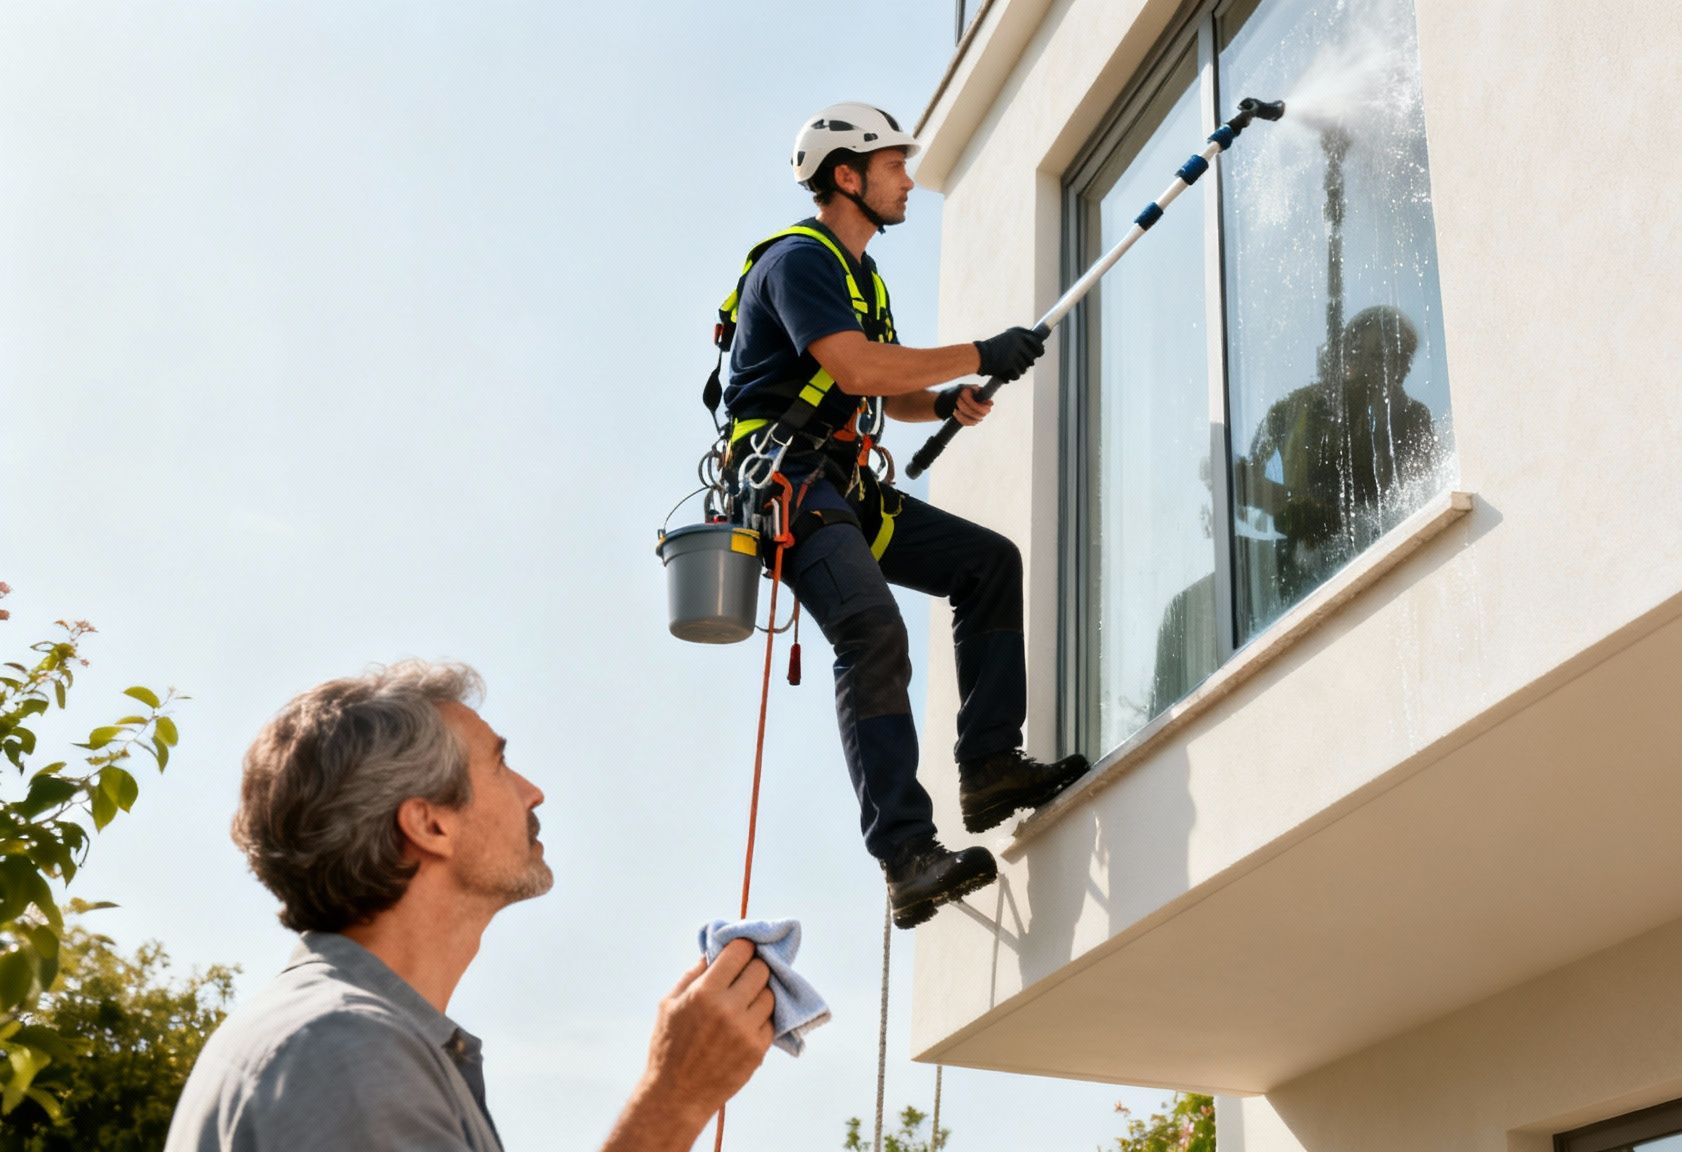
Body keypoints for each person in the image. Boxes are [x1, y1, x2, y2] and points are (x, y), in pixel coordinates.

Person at [717, 102, 1087, 929]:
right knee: (872, 632)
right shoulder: (799, 261)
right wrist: (980, 353)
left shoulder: (862, 277)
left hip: (842, 488)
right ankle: (907, 857)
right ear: (846, 176)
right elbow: (851, 370)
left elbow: (882, 383)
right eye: (893, 166)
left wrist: (944, 400)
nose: (909, 179)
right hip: (789, 489)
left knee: (986, 564)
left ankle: (989, 766)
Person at [166, 662, 776, 1151]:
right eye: (499, 763)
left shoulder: (356, 1042)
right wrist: (675, 1100)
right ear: (429, 824)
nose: (533, 790)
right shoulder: (347, 1054)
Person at [1235, 304, 1440, 604]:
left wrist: (1386, 421)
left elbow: (1415, 506)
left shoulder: (1411, 419)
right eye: (1359, 353)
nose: (1372, 368)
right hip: (1303, 581)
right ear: (1343, 355)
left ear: (1402, 367)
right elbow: (1245, 483)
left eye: (1387, 358)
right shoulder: (1295, 409)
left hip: (1386, 572)